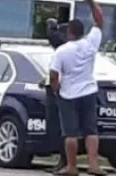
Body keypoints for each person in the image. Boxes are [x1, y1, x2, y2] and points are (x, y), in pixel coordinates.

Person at [49, 0, 106, 176]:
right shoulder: (91, 43)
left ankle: (72, 167)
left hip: (69, 95)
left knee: (70, 133)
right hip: (89, 91)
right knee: (91, 130)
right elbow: (99, 19)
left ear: (69, 33)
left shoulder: (61, 51)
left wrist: (56, 89)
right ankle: (93, 164)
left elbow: (54, 75)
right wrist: (90, 1)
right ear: (82, 32)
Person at [42, 18, 68, 173]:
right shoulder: (60, 53)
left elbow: (56, 75)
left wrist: (55, 90)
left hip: (59, 92)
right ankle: (62, 161)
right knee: (56, 128)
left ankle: (64, 162)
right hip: (56, 90)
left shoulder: (64, 50)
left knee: (60, 128)